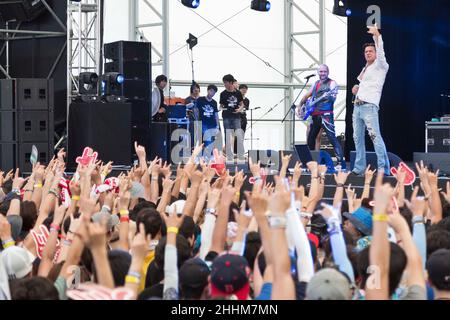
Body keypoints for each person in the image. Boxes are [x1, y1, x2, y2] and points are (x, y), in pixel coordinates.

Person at [352, 23, 390, 175]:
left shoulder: (381, 65)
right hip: (358, 106)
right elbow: (364, 85)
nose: (368, 53)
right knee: (357, 138)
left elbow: (381, 52)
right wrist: (356, 89)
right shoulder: (365, 68)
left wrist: (377, 36)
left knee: (375, 137)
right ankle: (359, 168)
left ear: (375, 53)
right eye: (366, 51)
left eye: (370, 51)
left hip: (369, 107)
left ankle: (383, 169)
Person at [297, 65, 346, 169]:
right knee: (310, 139)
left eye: (324, 71)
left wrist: (327, 97)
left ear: (328, 72)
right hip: (315, 115)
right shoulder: (315, 84)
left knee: (332, 139)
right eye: (321, 71)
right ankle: (308, 163)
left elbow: (333, 99)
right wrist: (300, 105)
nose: (322, 73)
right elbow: (307, 96)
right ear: (318, 72)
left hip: (326, 115)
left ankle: (341, 163)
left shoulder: (332, 83)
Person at [220, 74, 245, 162]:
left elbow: (242, 104)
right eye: (224, 83)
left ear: (231, 82)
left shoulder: (238, 93)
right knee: (228, 134)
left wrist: (239, 110)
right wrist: (221, 108)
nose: (225, 84)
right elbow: (221, 105)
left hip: (236, 116)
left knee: (238, 134)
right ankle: (228, 154)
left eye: (226, 82)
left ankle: (241, 154)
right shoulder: (223, 94)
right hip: (226, 116)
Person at [194, 85, 222, 160]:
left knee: (212, 140)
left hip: (212, 123)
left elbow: (216, 114)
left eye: (214, 92)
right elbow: (196, 110)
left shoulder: (214, 102)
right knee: (207, 138)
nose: (212, 93)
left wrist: (217, 125)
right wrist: (197, 120)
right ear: (208, 90)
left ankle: (207, 155)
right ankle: (206, 156)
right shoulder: (200, 99)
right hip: (203, 122)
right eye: (211, 91)